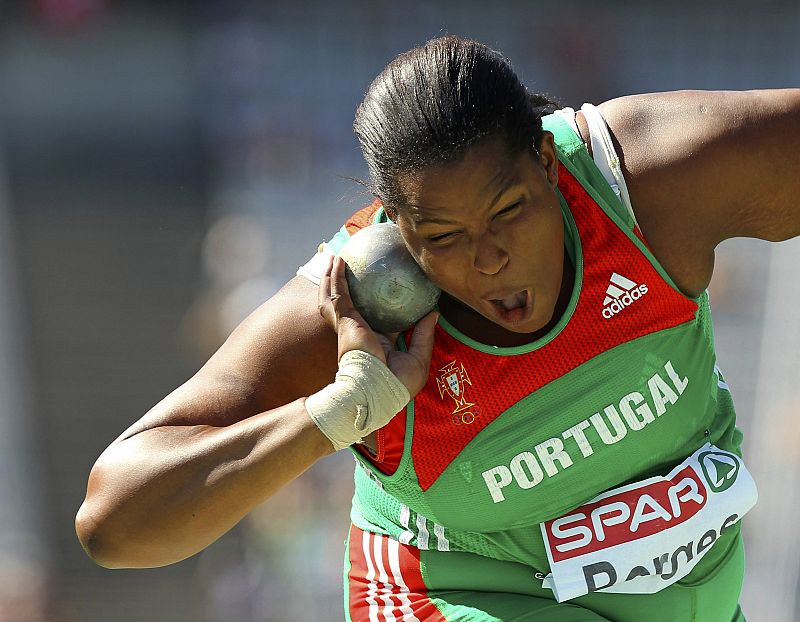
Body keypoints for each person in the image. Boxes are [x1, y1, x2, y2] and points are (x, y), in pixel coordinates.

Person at [75, 35, 800, 621]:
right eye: (443, 237)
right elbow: (113, 526)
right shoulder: (354, 307)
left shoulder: (649, 182)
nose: (488, 258)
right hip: (453, 596)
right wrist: (333, 414)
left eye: (509, 210)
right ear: (395, 225)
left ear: (549, 164)